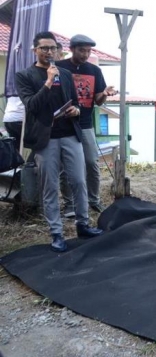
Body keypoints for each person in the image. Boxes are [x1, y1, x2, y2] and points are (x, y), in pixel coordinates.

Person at [15, 31, 103, 252]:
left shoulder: (64, 74)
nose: (49, 52)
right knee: (50, 186)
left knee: (79, 181)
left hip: (70, 134)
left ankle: (83, 224)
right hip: (46, 140)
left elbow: (75, 102)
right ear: (35, 50)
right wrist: (47, 82)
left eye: (53, 48)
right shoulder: (25, 75)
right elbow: (32, 106)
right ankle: (56, 233)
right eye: (44, 48)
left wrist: (76, 110)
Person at [56, 34, 118, 216]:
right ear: (72, 49)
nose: (85, 54)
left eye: (88, 51)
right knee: (66, 166)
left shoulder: (94, 71)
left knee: (91, 163)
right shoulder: (59, 67)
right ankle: (70, 204)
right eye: (82, 50)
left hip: (85, 124)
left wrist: (105, 93)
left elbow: (98, 101)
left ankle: (94, 200)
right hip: (64, 125)